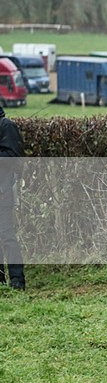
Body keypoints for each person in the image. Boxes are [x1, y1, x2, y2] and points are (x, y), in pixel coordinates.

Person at [0, 105, 25, 290]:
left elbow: (12, 155)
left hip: (3, 190)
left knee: (8, 237)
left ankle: (17, 281)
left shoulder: (6, 125)